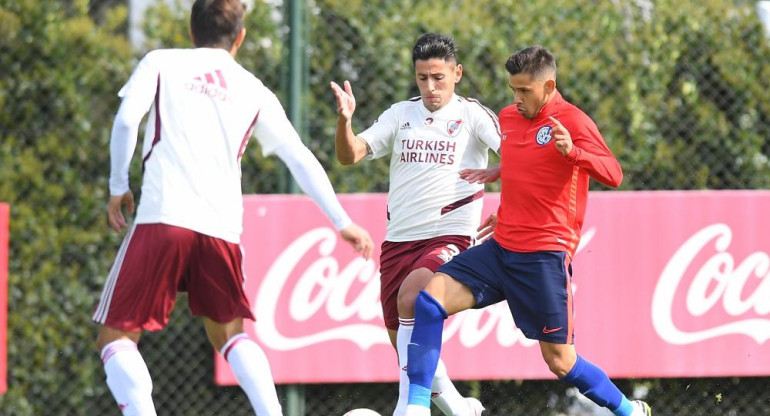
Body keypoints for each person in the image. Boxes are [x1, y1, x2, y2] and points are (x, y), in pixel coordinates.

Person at [92, 1, 374, 415]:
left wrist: (118, 185)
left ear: (192, 32)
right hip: (221, 230)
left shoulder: (161, 63)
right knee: (229, 335)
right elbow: (299, 157)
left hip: (163, 217)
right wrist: (342, 221)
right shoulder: (254, 89)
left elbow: (125, 122)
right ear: (239, 38)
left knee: (116, 336)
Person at [403, 46, 653, 416]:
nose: (516, 99)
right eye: (512, 89)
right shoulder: (508, 117)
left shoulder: (573, 122)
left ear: (548, 86)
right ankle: (417, 408)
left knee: (561, 363)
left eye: (524, 91)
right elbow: (524, 163)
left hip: (543, 257)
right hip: (501, 249)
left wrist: (574, 154)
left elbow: (613, 173)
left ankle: (629, 411)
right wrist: (500, 186)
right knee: (428, 300)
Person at [330, 33, 500, 416]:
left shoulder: (473, 115)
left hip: (451, 235)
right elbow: (350, 154)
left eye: (438, 77)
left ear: (457, 73)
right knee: (408, 347)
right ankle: (461, 409)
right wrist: (345, 122)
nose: (430, 87)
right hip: (398, 243)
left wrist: (507, 196)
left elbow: (517, 156)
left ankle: (409, 410)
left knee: (414, 298)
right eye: (422, 77)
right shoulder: (400, 114)